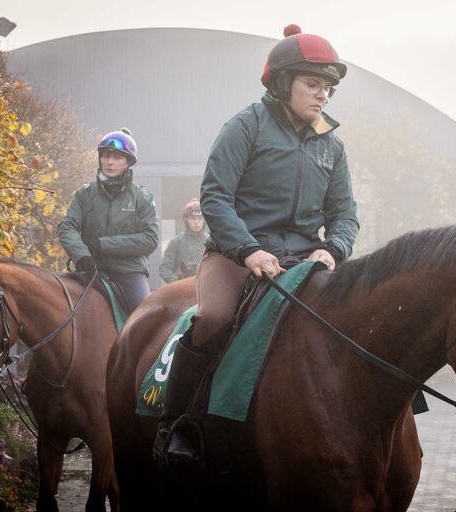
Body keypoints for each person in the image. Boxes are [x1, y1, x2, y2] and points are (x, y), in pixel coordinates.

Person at [155, 24, 359, 466]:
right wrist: (248, 250)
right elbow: (215, 198)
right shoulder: (245, 126)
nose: (322, 95)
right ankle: (179, 423)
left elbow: (345, 215)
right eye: (313, 84)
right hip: (235, 257)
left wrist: (334, 249)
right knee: (214, 317)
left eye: (328, 88)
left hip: (306, 262)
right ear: (284, 83)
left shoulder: (333, 145)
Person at [58, 128, 159, 312]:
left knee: (144, 318)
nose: (110, 162)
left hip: (129, 273)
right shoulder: (84, 194)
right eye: (106, 155)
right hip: (89, 270)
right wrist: (82, 256)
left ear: (128, 162)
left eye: (118, 157)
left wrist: (104, 244)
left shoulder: (141, 196)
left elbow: (150, 239)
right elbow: (67, 227)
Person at [159, 198, 209, 284]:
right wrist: (178, 283)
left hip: (205, 288)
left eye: (200, 218)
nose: (196, 222)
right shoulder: (176, 242)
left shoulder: (211, 243)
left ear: (204, 220)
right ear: (186, 220)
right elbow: (164, 269)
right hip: (181, 290)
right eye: (193, 219)